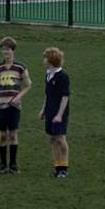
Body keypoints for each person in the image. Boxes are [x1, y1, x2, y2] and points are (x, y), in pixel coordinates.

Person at [0, 37, 29, 173]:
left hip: (13, 107)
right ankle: (2, 164)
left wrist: (19, 96)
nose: (5, 52)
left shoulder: (20, 67)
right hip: (0, 106)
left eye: (7, 49)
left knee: (13, 135)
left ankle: (13, 164)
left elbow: (28, 85)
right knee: (2, 136)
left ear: (13, 51)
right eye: (3, 50)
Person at [41, 47, 71, 178]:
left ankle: (64, 168)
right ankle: (58, 166)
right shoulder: (48, 74)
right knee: (52, 139)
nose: (43, 60)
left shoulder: (63, 76)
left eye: (45, 58)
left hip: (60, 113)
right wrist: (43, 109)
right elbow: (47, 95)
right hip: (50, 111)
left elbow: (65, 96)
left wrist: (59, 114)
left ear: (51, 60)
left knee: (60, 138)